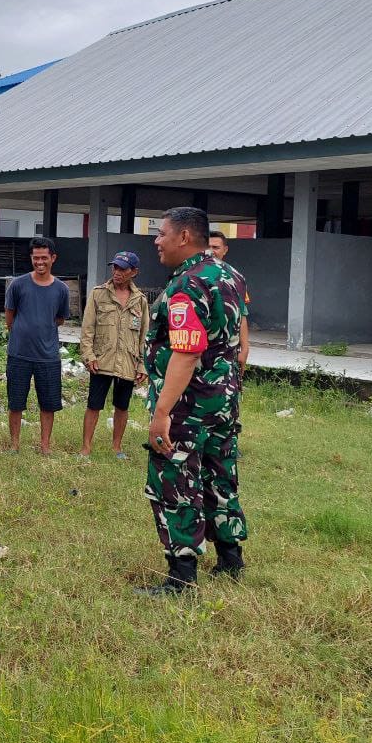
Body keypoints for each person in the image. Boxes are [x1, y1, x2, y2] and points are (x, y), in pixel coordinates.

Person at [138, 207, 248, 596]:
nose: (156, 241)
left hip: (188, 404)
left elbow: (186, 352)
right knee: (220, 475)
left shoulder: (187, 285)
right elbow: (235, 337)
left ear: (184, 237)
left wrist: (162, 412)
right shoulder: (229, 275)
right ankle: (230, 558)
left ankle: (181, 576)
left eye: (162, 233)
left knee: (176, 481)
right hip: (223, 400)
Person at [79, 251, 150, 459]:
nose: (117, 272)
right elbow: (87, 328)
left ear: (134, 272)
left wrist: (143, 365)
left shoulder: (140, 300)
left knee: (122, 405)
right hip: (102, 359)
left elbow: (144, 336)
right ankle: (86, 447)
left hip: (128, 361)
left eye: (123, 269)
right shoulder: (98, 293)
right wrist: (88, 355)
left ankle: (117, 447)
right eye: (115, 267)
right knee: (94, 404)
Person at [4, 237, 71, 454]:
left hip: (48, 356)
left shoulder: (61, 289)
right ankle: (14, 444)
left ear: (53, 258)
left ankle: (45, 446)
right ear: (31, 258)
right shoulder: (18, 284)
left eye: (44, 258)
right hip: (19, 353)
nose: (40, 262)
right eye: (36, 258)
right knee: (16, 402)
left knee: (48, 403)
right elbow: (9, 319)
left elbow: (60, 318)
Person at [207, 231, 251, 370]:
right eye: (208, 247)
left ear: (225, 250)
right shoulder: (193, 276)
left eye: (216, 247)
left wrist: (245, 349)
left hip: (226, 354)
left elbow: (241, 315)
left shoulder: (235, 279)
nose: (211, 251)